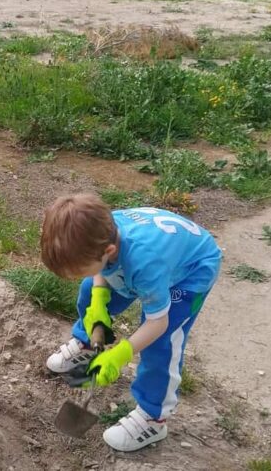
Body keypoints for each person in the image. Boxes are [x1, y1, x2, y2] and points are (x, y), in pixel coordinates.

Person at [40, 194, 222, 452]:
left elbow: (158, 322)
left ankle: (153, 418)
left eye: (81, 268)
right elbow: (100, 269)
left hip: (190, 271)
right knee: (89, 289)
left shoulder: (145, 263)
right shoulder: (100, 233)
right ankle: (88, 343)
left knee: (162, 341)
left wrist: (120, 354)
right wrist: (100, 299)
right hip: (147, 256)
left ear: (109, 252)